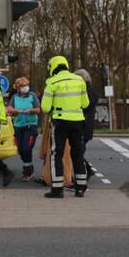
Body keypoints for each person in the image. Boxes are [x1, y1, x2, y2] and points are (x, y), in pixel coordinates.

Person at [41, 55, 89, 198]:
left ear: (53, 67)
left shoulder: (52, 82)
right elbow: (85, 103)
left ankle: (57, 189)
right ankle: (80, 187)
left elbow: (45, 107)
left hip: (60, 122)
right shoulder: (79, 80)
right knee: (78, 154)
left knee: (57, 154)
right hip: (78, 121)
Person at [7, 77, 41, 181]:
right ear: (18, 88)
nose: (25, 87)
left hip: (30, 126)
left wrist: (30, 110)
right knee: (21, 150)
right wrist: (15, 111)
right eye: (22, 86)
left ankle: (27, 172)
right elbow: (9, 109)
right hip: (18, 126)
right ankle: (28, 169)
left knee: (26, 148)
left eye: (26, 85)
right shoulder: (14, 97)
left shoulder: (32, 96)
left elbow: (38, 109)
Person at [74, 69, 98, 178]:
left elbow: (85, 106)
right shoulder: (90, 91)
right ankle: (87, 170)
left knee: (77, 151)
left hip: (83, 126)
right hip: (86, 127)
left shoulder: (85, 92)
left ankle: (85, 172)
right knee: (78, 150)